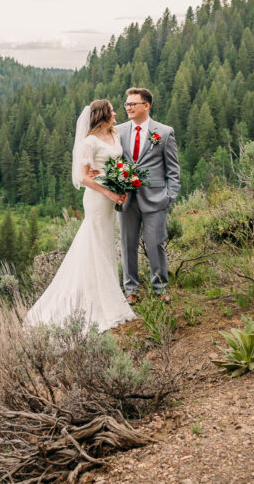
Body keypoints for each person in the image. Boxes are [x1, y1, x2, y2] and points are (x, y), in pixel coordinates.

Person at [24, 99, 136, 331]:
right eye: (112, 110)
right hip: (97, 198)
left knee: (105, 244)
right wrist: (110, 192)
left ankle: (104, 293)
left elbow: (116, 163)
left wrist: (122, 181)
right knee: (95, 244)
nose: (116, 113)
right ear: (103, 115)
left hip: (111, 195)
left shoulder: (114, 134)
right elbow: (84, 177)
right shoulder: (89, 141)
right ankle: (103, 302)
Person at [114, 88, 180, 304]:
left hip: (155, 198)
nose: (128, 107)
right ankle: (131, 290)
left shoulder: (164, 132)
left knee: (155, 245)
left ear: (147, 105)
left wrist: (169, 196)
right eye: (127, 104)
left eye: (133, 104)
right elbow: (113, 162)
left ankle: (160, 288)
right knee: (127, 244)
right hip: (126, 199)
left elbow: (173, 168)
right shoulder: (118, 131)